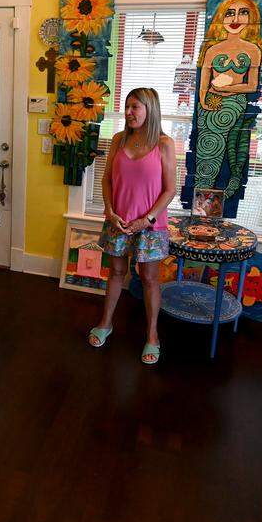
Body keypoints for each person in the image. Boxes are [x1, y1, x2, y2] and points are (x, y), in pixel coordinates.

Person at [88, 88, 178, 365]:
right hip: (118, 221)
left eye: (135, 107)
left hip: (150, 226)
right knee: (115, 273)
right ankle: (105, 323)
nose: (129, 112)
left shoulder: (164, 144)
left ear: (150, 109)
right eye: (127, 106)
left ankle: (152, 336)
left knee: (150, 279)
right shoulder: (118, 140)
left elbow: (170, 190)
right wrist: (109, 210)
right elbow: (106, 180)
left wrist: (147, 219)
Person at [193, 0, 262, 200]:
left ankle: (220, 200)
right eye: (230, 13)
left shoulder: (253, 50)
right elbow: (204, 84)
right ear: (221, 18)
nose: (236, 19)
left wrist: (228, 89)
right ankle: (201, 202)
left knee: (230, 150)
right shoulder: (212, 50)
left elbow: (251, 85)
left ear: (251, 18)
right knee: (207, 154)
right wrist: (204, 102)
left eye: (243, 12)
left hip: (235, 106)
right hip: (210, 107)